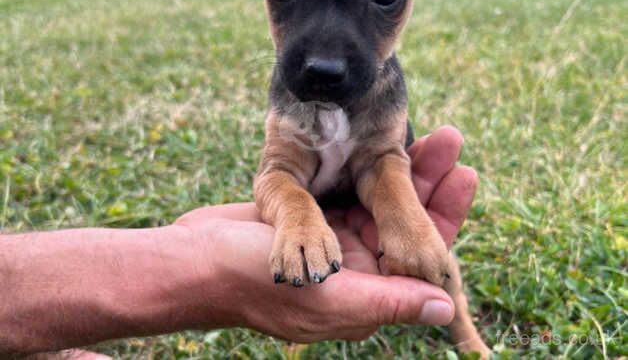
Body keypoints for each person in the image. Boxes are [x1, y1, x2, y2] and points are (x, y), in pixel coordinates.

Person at [0, 126, 477, 357]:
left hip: (370, 203)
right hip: (310, 207)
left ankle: (467, 335)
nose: (323, 57)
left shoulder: (381, 92)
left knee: (426, 250)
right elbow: (277, 174)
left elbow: (385, 161)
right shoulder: (290, 100)